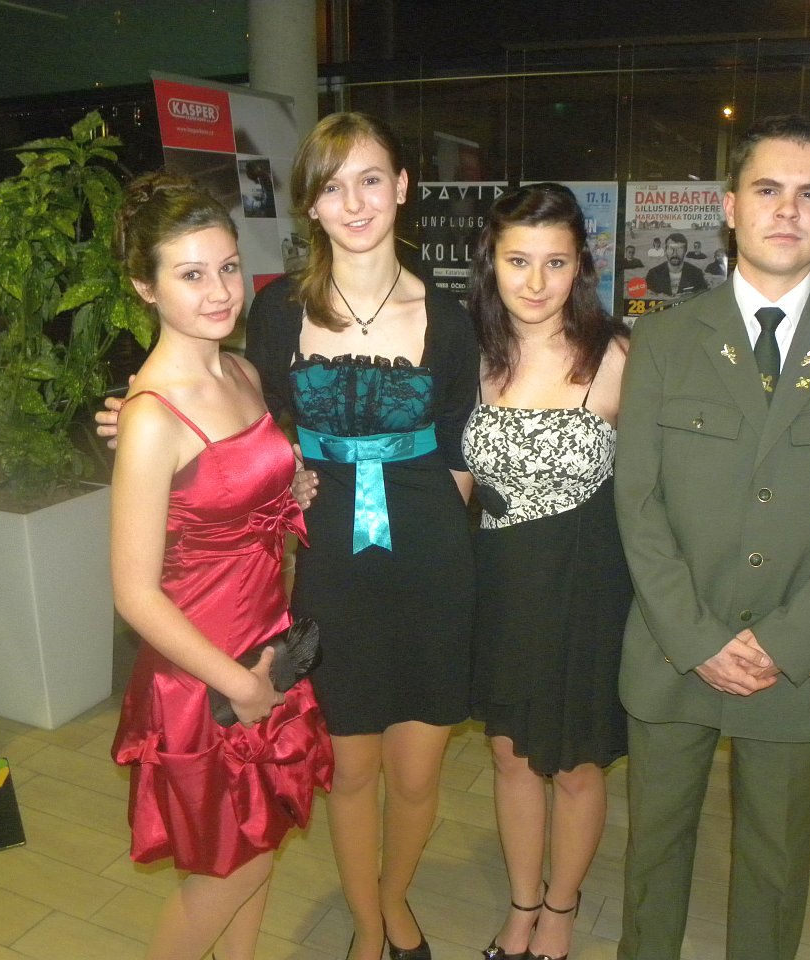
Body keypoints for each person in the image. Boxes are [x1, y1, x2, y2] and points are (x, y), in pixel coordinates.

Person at [615, 115, 810, 960]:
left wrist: (784, 642)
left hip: (798, 662)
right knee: (653, 856)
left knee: (775, 865)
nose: (787, 210)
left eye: (809, 194)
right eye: (767, 189)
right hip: (674, 649)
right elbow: (638, 502)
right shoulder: (664, 340)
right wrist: (697, 637)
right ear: (730, 207)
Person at [244, 112, 479, 960]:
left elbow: (458, 450)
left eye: (371, 179)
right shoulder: (277, 313)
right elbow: (251, 426)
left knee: (417, 774)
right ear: (310, 204)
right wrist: (283, 474)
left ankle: (392, 897)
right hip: (332, 570)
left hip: (432, 564)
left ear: (403, 187)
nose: (355, 202)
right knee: (350, 771)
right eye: (333, 186)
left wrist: (437, 539)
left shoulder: (449, 318)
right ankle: (369, 927)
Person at [108, 173, 333, 960]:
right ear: (147, 287)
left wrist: (285, 490)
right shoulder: (150, 416)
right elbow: (134, 593)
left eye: (229, 267)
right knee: (228, 872)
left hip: (264, 642)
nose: (219, 291)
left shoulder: (241, 373)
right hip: (203, 675)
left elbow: (232, 496)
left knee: (260, 842)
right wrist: (240, 685)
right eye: (191, 274)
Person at [462, 183, 631, 960]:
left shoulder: (616, 358)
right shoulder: (472, 357)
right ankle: (522, 904)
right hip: (499, 584)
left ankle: (561, 910)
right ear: (490, 263)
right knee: (510, 753)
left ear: (580, 266)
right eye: (518, 261)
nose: (535, 282)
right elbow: (446, 484)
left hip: (586, 588)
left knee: (576, 763)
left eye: (555, 262)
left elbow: (663, 485)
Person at [644, 232, 709, 300]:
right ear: (666, 250)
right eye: (671, 249)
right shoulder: (653, 274)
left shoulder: (696, 274)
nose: (675, 254)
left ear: (685, 251)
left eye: (679, 249)